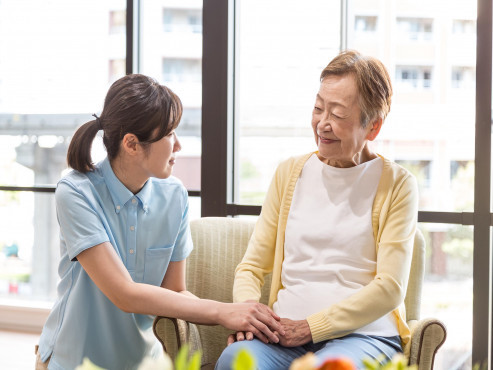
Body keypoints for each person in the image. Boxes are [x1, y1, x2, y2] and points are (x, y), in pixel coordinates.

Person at [35, 74, 283, 370]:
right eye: (169, 134)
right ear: (132, 144)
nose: (178, 145)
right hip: (73, 360)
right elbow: (124, 294)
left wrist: (238, 321)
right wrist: (222, 311)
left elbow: (175, 291)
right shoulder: (75, 192)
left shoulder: (174, 195)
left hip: (145, 363)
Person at [216, 50, 418, 369]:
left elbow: (390, 288)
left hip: (364, 337)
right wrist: (249, 314)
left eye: (337, 114)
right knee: (234, 360)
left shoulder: (397, 184)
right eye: (318, 108)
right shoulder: (289, 173)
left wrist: (311, 327)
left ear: (373, 127)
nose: (322, 123)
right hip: (283, 336)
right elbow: (251, 267)